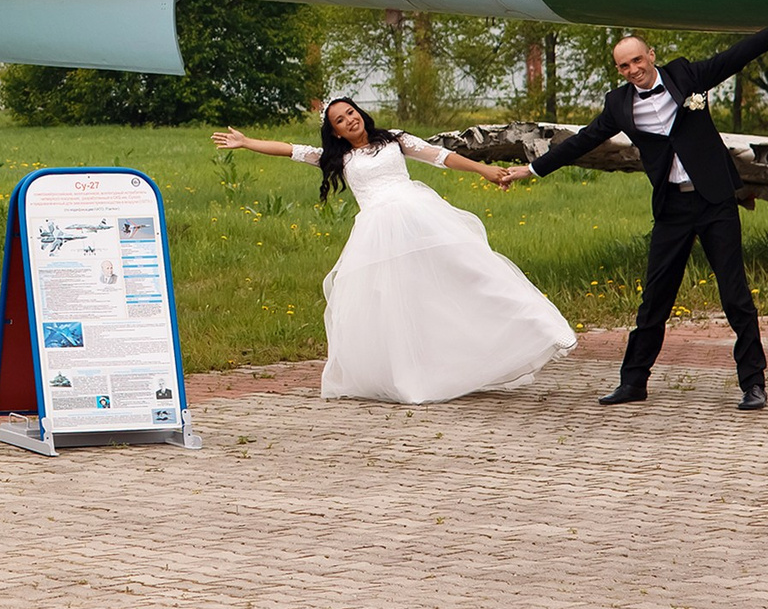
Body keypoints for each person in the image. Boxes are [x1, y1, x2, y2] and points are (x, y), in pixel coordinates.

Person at [518, 0, 768, 411]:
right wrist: (533, 170)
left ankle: (753, 383)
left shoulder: (686, 76)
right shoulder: (618, 104)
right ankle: (633, 383)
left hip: (714, 202)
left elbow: (737, 55)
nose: (633, 70)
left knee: (735, 296)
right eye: (624, 66)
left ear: (651, 56)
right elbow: (581, 142)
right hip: (672, 210)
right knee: (655, 298)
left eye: (637, 61)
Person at [213, 98, 575, 404]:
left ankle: (542, 328)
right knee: (398, 301)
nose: (349, 120)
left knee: (474, 270)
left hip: (422, 218)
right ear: (335, 131)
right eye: (340, 120)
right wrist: (246, 142)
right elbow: (290, 150)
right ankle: (414, 377)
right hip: (378, 234)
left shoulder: (395, 140)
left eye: (351, 113)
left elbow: (441, 156)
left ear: (360, 114)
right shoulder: (336, 157)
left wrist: (483, 170)